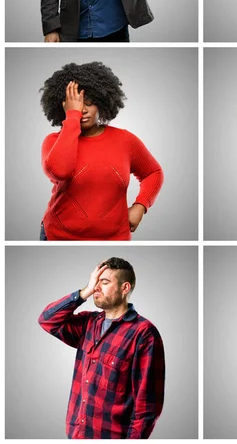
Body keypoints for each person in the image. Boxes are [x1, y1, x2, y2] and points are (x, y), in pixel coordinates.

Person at [38, 258, 165, 439]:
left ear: (125, 288)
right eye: (95, 282)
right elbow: (47, 320)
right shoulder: (88, 324)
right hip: (77, 435)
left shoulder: (143, 334)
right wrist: (84, 292)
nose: (97, 287)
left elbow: (147, 406)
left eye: (104, 282)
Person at [39, 61, 164, 240]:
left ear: (102, 102)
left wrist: (140, 205)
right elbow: (60, 171)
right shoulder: (53, 141)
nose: (82, 110)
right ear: (63, 106)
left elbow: (153, 172)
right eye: (76, 105)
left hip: (115, 238)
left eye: (89, 103)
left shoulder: (125, 140)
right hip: (58, 236)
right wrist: (72, 118)